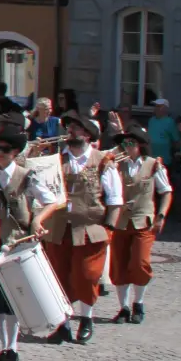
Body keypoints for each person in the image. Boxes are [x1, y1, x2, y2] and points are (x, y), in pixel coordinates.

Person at [0, 117, 61, 361]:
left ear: (15, 152)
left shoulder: (26, 176)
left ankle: (12, 348)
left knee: (14, 297)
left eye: (5, 150)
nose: (0, 154)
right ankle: (4, 346)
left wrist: (38, 219)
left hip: (18, 243)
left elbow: (53, 201)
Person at [41, 113, 123, 344]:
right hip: (59, 228)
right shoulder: (56, 160)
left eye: (76, 129)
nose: (71, 133)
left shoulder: (103, 161)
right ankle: (63, 324)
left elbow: (115, 199)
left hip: (90, 228)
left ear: (87, 135)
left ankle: (86, 319)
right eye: (69, 128)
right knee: (58, 277)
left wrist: (109, 228)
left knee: (86, 275)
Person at [109, 126, 172, 324]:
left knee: (139, 263)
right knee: (119, 265)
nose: (126, 147)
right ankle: (124, 307)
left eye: (130, 143)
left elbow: (166, 192)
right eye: (124, 144)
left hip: (143, 220)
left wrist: (161, 215)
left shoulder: (153, 165)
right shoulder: (117, 165)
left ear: (140, 146)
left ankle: (139, 303)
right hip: (120, 221)